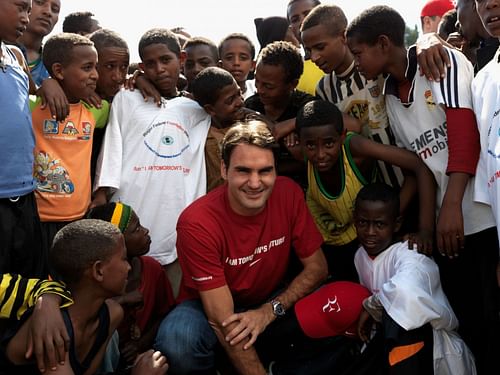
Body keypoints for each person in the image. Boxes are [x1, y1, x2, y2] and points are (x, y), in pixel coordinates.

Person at [346, 6, 500, 374]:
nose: (356, 63)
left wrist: (450, 207)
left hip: (478, 215)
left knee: (494, 318)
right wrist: (427, 225)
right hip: (448, 227)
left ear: (383, 43)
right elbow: (422, 165)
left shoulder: (439, 61)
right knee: (469, 321)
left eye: (358, 53)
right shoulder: (390, 96)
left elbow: (464, 137)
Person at [155, 120, 328, 374]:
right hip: (206, 308)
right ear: (224, 170)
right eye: (244, 171)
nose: (255, 183)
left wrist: (269, 311)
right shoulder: (198, 222)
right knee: (179, 340)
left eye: (265, 171)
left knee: (333, 302)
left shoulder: (289, 193)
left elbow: (318, 268)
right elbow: (222, 320)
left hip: (268, 297)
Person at [93, 28, 211, 297]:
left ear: (180, 59)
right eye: (150, 63)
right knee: (126, 295)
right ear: (141, 66)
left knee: (171, 299)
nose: (159, 69)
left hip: (178, 223)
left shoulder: (199, 108)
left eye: (165, 60)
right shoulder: (127, 97)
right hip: (132, 215)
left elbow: (231, 104)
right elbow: (112, 148)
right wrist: (102, 194)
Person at [295, 100, 436, 280]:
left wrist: (425, 230)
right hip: (330, 246)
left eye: (329, 144)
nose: (320, 154)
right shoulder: (303, 156)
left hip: (365, 243)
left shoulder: (355, 148)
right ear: (300, 142)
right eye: (311, 146)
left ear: (342, 136)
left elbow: (419, 166)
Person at [353, 183, 475, 375]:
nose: (370, 232)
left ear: (397, 224)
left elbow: (404, 291)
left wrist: (373, 306)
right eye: (362, 223)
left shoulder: (411, 254)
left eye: (379, 224)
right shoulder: (359, 256)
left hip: (434, 354)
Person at [301, 4, 404, 190]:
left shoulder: (378, 67)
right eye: (309, 50)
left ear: (343, 36)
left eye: (320, 47)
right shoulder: (324, 89)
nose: (314, 57)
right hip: (370, 192)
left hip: (410, 176)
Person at [3, 219, 126, 374]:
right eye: (124, 259)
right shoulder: (51, 328)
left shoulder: (113, 314)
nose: (129, 267)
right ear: (98, 270)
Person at [31, 32, 109, 254]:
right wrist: (42, 84)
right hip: (38, 220)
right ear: (58, 71)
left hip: (79, 219)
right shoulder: (33, 106)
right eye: (87, 67)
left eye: (96, 67)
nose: (95, 75)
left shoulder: (97, 110)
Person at [88, 202, 175, 368]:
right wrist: (122, 300)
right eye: (136, 229)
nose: (146, 231)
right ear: (117, 243)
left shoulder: (152, 269)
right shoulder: (98, 279)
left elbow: (165, 315)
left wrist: (140, 344)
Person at [0, 0, 47, 278]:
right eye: (20, 7)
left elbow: (33, 89)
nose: (26, 18)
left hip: (24, 195)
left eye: (28, 10)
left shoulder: (16, 56)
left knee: (27, 285)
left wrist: (46, 84)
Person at [245, 41, 314, 186]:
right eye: (257, 81)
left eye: (268, 86)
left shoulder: (307, 106)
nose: (259, 90)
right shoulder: (251, 105)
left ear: (292, 84)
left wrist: (294, 123)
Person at [191, 66, 248, 191]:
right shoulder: (202, 138)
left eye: (239, 93)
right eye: (230, 100)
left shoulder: (252, 126)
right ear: (210, 109)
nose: (240, 102)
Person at [17, 0, 60, 87]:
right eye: (39, 2)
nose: (48, 12)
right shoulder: (4, 52)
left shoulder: (57, 67)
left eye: (55, 9)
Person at [286, 0, 324, 96]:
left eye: (308, 14)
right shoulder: (292, 74)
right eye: (295, 19)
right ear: (291, 29)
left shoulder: (353, 56)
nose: (303, 21)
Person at [218, 33, 256, 99]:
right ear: (220, 65)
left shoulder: (258, 92)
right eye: (229, 58)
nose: (236, 63)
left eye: (243, 58)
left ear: (252, 65)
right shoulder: (213, 98)